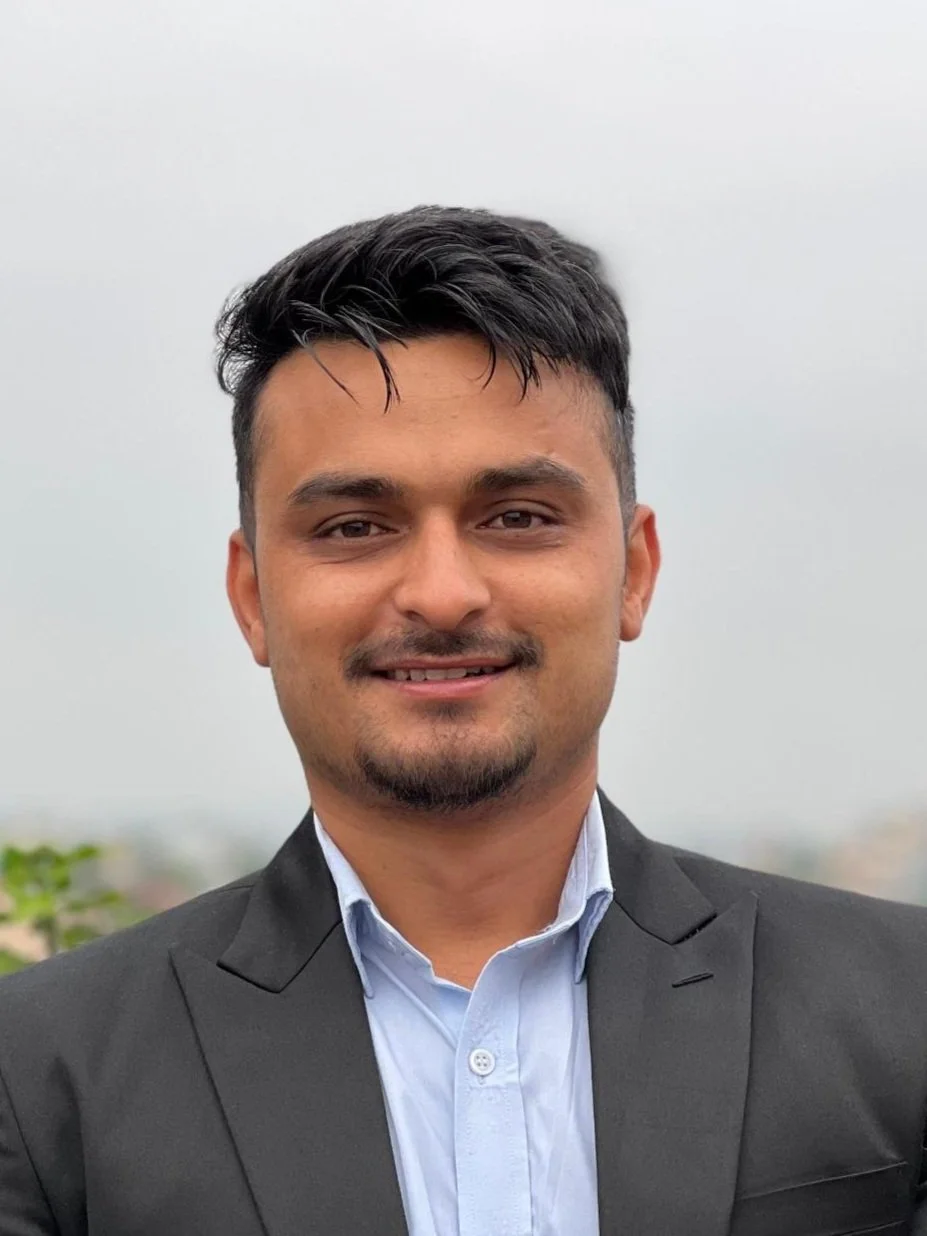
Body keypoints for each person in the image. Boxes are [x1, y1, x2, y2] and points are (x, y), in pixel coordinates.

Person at [1, 205, 925, 1236]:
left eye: (517, 518)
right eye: (354, 526)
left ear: (635, 570)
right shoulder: (40, 1083)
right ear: (254, 596)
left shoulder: (904, 1014)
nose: (441, 594)